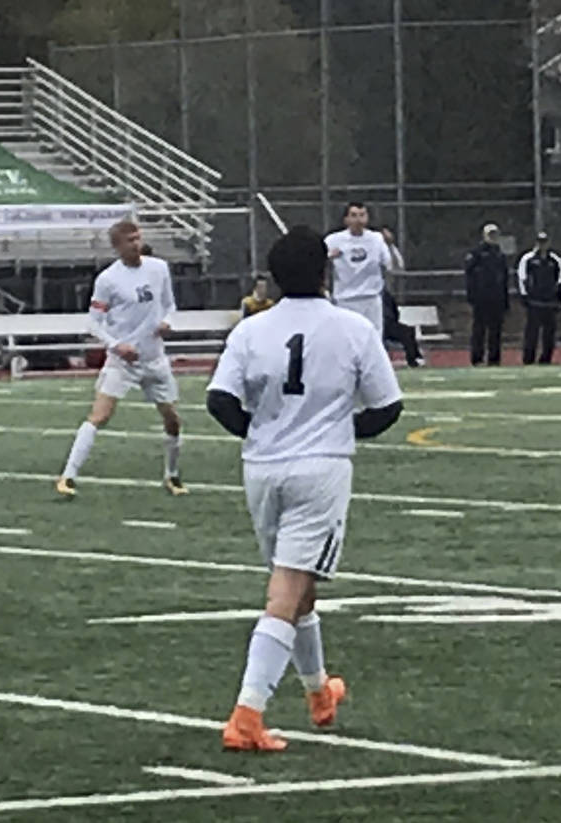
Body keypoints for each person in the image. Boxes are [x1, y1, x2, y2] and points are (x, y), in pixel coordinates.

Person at [206, 226, 405, 751]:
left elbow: (220, 402)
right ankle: (248, 712)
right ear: (326, 271)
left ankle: (320, 693)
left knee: (299, 585)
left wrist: (266, 431)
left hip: (262, 468)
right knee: (286, 590)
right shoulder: (353, 327)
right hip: (319, 470)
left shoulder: (251, 329)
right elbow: (387, 408)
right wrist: (337, 430)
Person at [55, 219, 188, 498]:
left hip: (154, 358)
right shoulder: (108, 280)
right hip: (123, 362)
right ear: (117, 246)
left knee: (173, 419)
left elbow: (170, 305)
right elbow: (94, 323)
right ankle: (67, 476)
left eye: (139, 238)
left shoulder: (158, 268)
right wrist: (117, 346)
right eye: (130, 240)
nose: (137, 244)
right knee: (100, 415)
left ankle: (172, 475)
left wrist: (167, 322)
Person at [325, 202, 393, 335]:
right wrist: (329, 256)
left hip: (370, 298)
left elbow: (389, 264)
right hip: (345, 299)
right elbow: (318, 260)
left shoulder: (376, 239)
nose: (358, 220)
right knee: (347, 337)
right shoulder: (333, 240)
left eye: (362, 215)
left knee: (374, 336)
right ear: (346, 219)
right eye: (354, 215)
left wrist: (390, 245)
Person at [375, 227, 426, 367]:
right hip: (373, 321)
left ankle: (414, 359)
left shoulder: (384, 292)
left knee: (406, 331)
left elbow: (395, 265)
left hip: (387, 323)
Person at [462, 223, 511, 366]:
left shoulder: (499, 254)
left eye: (495, 234)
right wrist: (471, 296)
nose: (493, 237)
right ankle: (477, 358)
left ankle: (494, 359)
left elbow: (504, 278)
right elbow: (469, 276)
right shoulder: (476, 253)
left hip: (497, 298)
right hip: (481, 299)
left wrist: (505, 299)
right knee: (479, 330)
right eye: (490, 234)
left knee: (495, 331)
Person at [518, 231, 561, 365]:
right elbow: (522, 278)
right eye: (540, 242)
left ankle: (546, 358)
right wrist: (524, 295)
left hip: (550, 302)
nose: (542, 245)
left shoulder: (554, 260)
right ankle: (528, 359)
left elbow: (560, 279)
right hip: (534, 301)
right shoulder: (528, 259)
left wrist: (560, 297)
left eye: (545, 242)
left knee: (549, 333)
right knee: (531, 332)